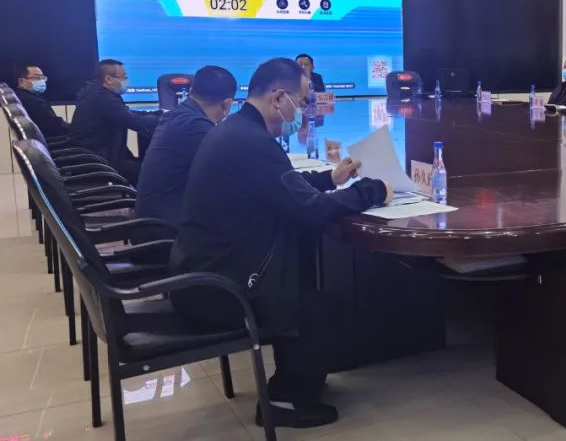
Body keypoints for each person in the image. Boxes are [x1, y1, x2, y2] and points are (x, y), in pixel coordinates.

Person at [169, 58, 392, 428]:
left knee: (306, 290)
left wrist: (330, 178)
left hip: (207, 272)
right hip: (220, 291)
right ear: (278, 98)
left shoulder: (237, 131)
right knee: (323, 309)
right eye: (302, 102)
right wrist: (372, 190)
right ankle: (284, 401)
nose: (303, 111)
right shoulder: (252, 143)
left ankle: (294, 384)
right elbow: (310, 210)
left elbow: (280, 187)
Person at [135, 66, 237, 228]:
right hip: (167, 229)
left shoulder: (178, 116)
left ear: (190, 91)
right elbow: (231, 175)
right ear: (227, 104)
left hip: (153, 219)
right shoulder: (196, 127)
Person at [68, 59, 160, 185]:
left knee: (142, 166)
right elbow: (134, 121)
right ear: (108, 79)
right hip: (98, 161)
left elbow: (127, 113)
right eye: (124, 77)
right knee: (152, 172)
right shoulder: (103, 98)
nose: (126, 81)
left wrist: (157, 114)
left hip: (97, 155)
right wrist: (163, 119)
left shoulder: (97, 92)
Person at [12, 64, 69, 138]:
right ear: (22, 81)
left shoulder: (21, 96)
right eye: (37, 77)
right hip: (53, 140)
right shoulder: (31, 101)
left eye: (43, 77)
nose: (42, 81)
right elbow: (54, 125)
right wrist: (75, 129)